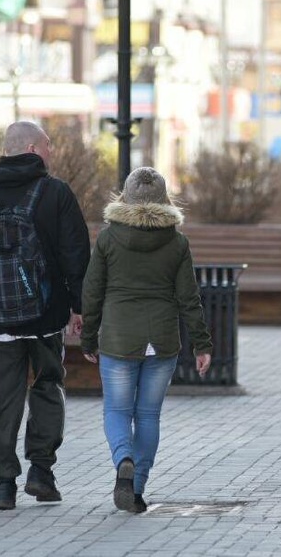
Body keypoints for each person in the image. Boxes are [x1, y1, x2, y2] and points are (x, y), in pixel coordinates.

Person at [0, 121, 90, 510]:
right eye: (48, 145)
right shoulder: (55, 193)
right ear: (30, 147)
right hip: (45, 318)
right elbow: (76, 253)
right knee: (47, 386)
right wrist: (79, 306)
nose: (52, 152)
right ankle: (41, 471)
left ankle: (3, 484)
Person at [81, 167, 213, 513]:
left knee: (117, 410)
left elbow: (92, 292)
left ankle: (123, 458)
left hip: (119, 338)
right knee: (149, 416)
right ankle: (136, 490)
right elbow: (189, 297)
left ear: (125, 197)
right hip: (163, 339)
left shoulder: (108, 239)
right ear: (163, 199)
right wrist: (202, 343)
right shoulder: (177, 242)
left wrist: (89, 337)